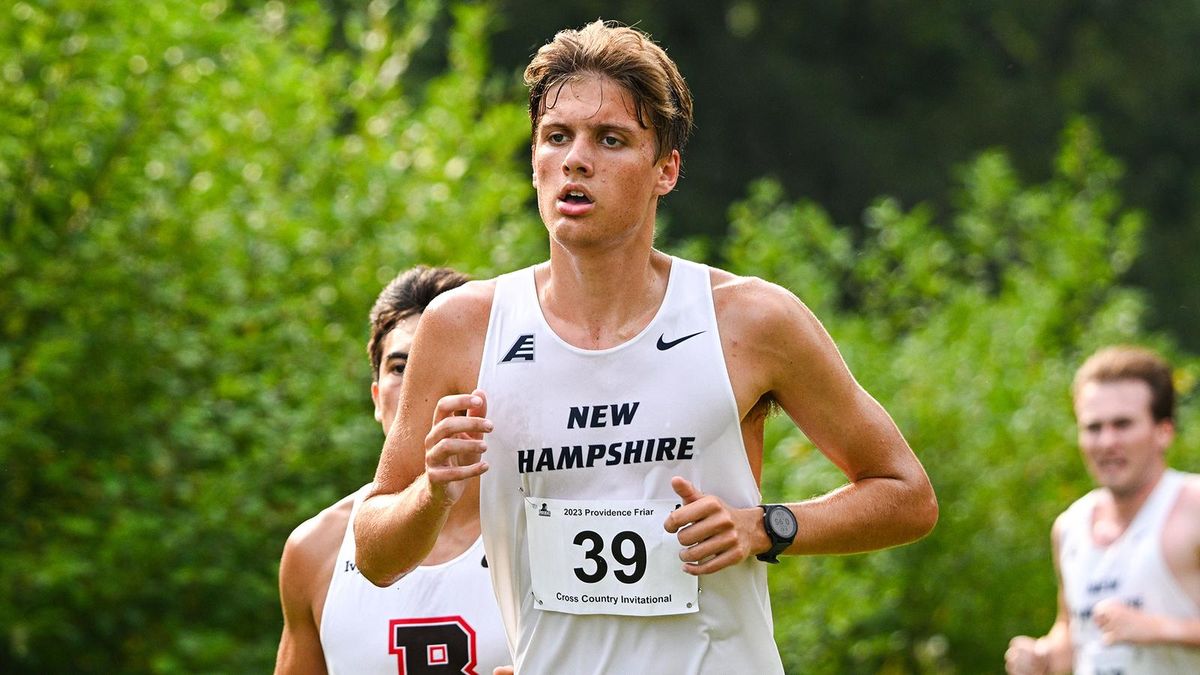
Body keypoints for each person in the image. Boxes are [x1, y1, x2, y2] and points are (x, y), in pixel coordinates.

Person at [355, 20, 938, 674]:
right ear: (534, 161)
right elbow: (374, 554)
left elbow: (906, 494)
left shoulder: (749, 318)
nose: (577, 159)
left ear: (666, 169)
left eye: (611, 139)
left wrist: (764, 527)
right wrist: (432, 492)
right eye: (556, 137)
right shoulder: (463, 325)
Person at [274, 266, 510, 675]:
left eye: (436, 362)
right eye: (401, 367)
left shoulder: (542, 523)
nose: (420, 382)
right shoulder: (316, 549)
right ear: (376, 396)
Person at [1005, 345, 1200, 675]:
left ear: (1163, 432)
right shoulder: (1070, 527)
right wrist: (1044, 657)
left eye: (1123, 424)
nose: (1107, 442)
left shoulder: (1192, 507)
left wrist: (1158, 628)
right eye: (1094, 428)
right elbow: (1074, 634)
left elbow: (1139, 629)